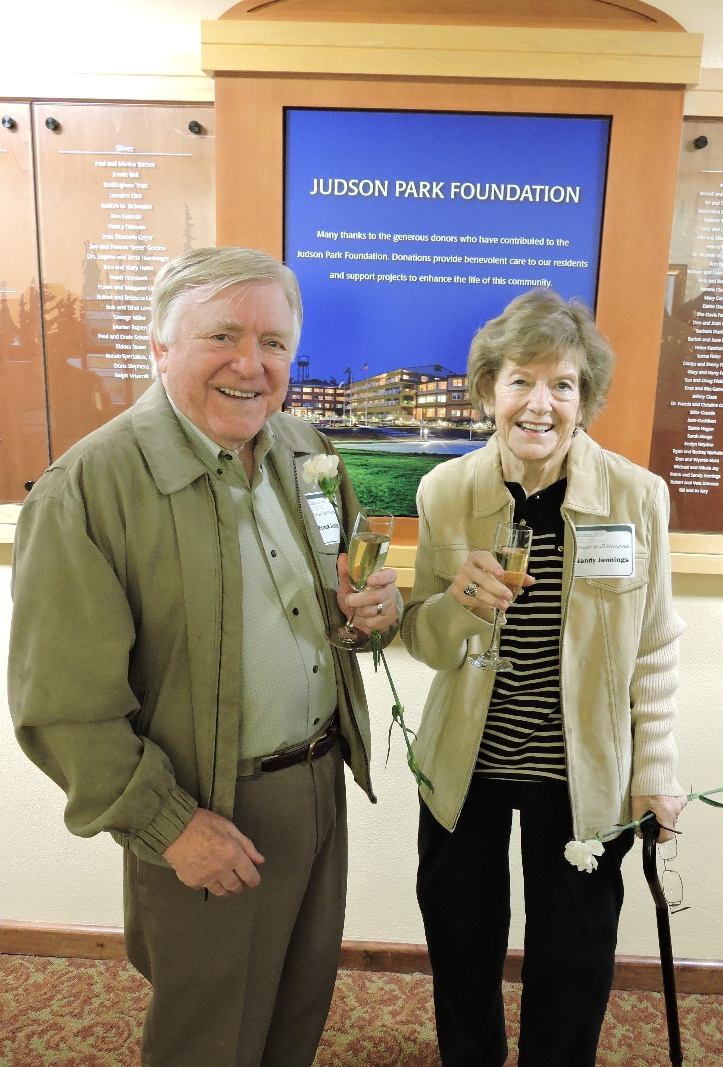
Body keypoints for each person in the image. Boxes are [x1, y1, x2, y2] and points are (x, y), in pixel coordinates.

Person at [8, 247, 400, 1067]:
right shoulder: (88, 488)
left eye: (274, 343)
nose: (251, 364)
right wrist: (170, 825)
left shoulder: (305, 449)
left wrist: (375, 612)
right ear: (159, 346)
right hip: (210, 807)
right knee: (209, 1039)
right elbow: (63, 707)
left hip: (319, 787)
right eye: (222, 334)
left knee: (296, 1014)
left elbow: (344, 595)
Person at [400, 288, 686, 1067]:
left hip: (581, 774)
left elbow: (654, 646)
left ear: (584, 398)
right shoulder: (446, 491)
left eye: (563, 384)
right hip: (466, 768)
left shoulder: (637, 497)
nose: (540, 403)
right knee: (461, 946)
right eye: (521, 380)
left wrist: (656, 769)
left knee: (574, 959)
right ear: (488, 388)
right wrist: (457, 602)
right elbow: (422, 640)